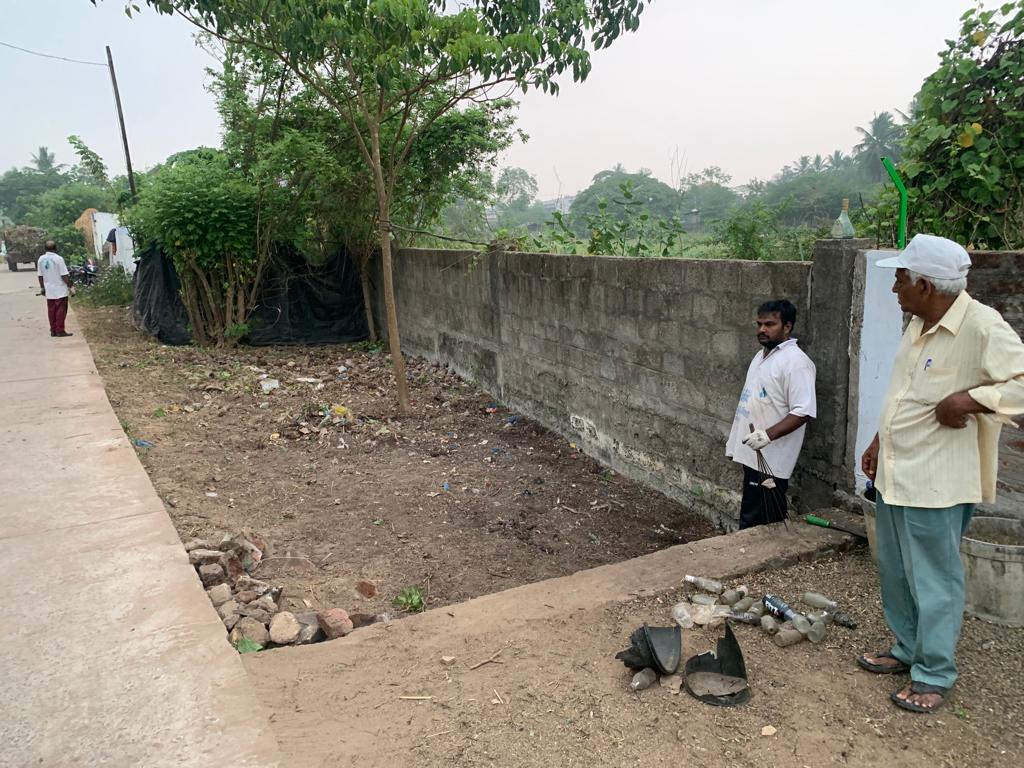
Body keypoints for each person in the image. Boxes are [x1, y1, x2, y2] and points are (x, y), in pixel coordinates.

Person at [857, 234, 1024, 714]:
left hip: (937, 481)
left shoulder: (981, 326)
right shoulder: (918, 323)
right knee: (895, 570)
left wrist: (969, 400)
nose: (894, 289)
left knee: (933, 578)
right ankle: (907, 648)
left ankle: (933, 673)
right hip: (896, 472)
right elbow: (903, 392)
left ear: (926, 286)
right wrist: (879, 440)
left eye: (900, 280)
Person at [725, 299, 817, 529]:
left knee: (759, 521)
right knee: (757, 514)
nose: (762, 329)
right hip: (753, 452)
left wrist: (767, 435)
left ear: (787, 326)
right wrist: (734, 443)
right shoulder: (761, 356)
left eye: (770, 324)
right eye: (759, 324)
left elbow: (803, 411)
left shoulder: (796, 362)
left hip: (771, 458)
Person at [36, 241, 73, 338]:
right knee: (61, 310)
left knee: (51, 311)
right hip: (60, 289)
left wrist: (42, 288)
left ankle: (53, 330)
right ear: (56, 249)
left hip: (49, 290)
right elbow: (64, 275)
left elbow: (40, 276)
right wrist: (70, 286)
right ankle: (60, 330)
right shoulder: (58, 259)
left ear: (45, 249)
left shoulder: (41, 259)